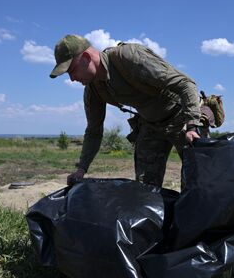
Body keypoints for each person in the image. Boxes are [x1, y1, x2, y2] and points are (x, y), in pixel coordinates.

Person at [49, 34, 202, 187]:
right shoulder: (93, 89)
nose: (72, 79)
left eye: (72, 70)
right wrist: (81, 169)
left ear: (87, 57)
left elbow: (185, 84)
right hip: (150, 123)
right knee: (145, 187)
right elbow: (94, 131)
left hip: (181, 116)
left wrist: (192, 126)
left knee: (198, 180)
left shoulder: (128, 57)